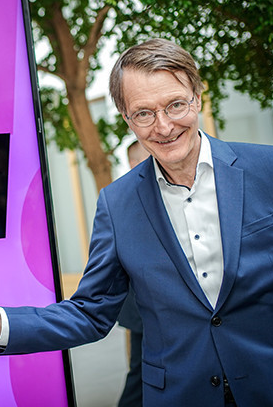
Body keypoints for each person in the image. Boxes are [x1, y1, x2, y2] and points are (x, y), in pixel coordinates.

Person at [0, 39, 273, 406]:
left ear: (197, 97)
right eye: (144, 113)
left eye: (175, 105)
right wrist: (3, 323)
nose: (164, 126)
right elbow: (92, 312)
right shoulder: (117, 204)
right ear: (127, 119)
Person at [116, 140, 149, 407]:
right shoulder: (125, 198)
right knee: (141, 372)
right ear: (133, 162)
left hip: (144, 307)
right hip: (141, 306)